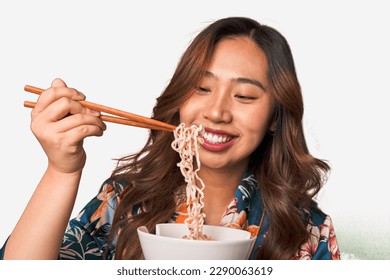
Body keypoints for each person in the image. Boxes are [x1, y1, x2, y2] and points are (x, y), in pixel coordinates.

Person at [0, 16, 340, 260]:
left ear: (275, 119)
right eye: (202, 88)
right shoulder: (125, 201)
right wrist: (63, 171)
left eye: (245, 96)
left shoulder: (308, 230)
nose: (217, 112)